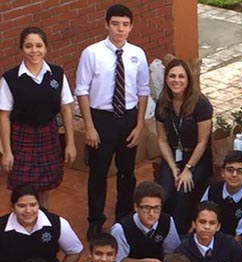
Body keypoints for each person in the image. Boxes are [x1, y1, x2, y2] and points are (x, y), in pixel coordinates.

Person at [75, 3, 150, 237]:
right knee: (98, 173)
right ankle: (96, 221)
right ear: (106, 25)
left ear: (131, 27)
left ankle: (124, 218)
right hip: (101, 119)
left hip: (128, 118)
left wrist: (139, 125)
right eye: (116, 24)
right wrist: (89, 127)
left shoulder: (137, 54)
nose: (120, 29)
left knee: (127, 172)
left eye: (125, 25)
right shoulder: (92, 53)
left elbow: (143, 90)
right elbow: (82, 90)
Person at [0, 26, 76, 207]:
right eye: (28, 46)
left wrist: (71, 143)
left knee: (45, 186)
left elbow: (66, 109)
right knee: (22, 189)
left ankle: (44, 220)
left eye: (39, 46)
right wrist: (7, 151)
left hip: (48, 135)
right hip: (21, 137)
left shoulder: (57, 74)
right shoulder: (10, 79)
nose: (34, 51)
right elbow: (4, 116)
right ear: (21, 49)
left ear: (46, 48)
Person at [155, 58, 213, 234]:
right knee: (163, 192)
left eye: (181, 76)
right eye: (172, 76)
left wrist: (188, 168)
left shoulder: (201, 104)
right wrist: (173, 167)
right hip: (173, 156)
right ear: (166, 79)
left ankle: (179, 235)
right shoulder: (162, 103)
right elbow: (162, 140)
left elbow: (203, 142)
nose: (176, 80)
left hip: (196, 158)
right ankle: (161, 232)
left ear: (188, 80)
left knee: (182, 191)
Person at [0, 184, 83, 262]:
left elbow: (74, 251)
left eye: (33, 205)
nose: (28, 210)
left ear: (39, 205)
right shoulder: (1, 227)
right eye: (22, 206)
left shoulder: (57, 223)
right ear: (12, 207)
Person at [110, 181, 181, 262]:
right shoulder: (121, 229)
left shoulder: (167, 221)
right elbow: (118, 261)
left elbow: (171, 251)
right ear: (136, 207)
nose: (152, 213)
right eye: (147, 208)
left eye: (156, 208)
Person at [199, 150, 242, 238]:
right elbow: (200, 218)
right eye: (230, 170)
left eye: (240, 171)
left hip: (230, 246)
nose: (234, 174)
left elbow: (239, 237)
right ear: (222, 172)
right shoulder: (213, 188)